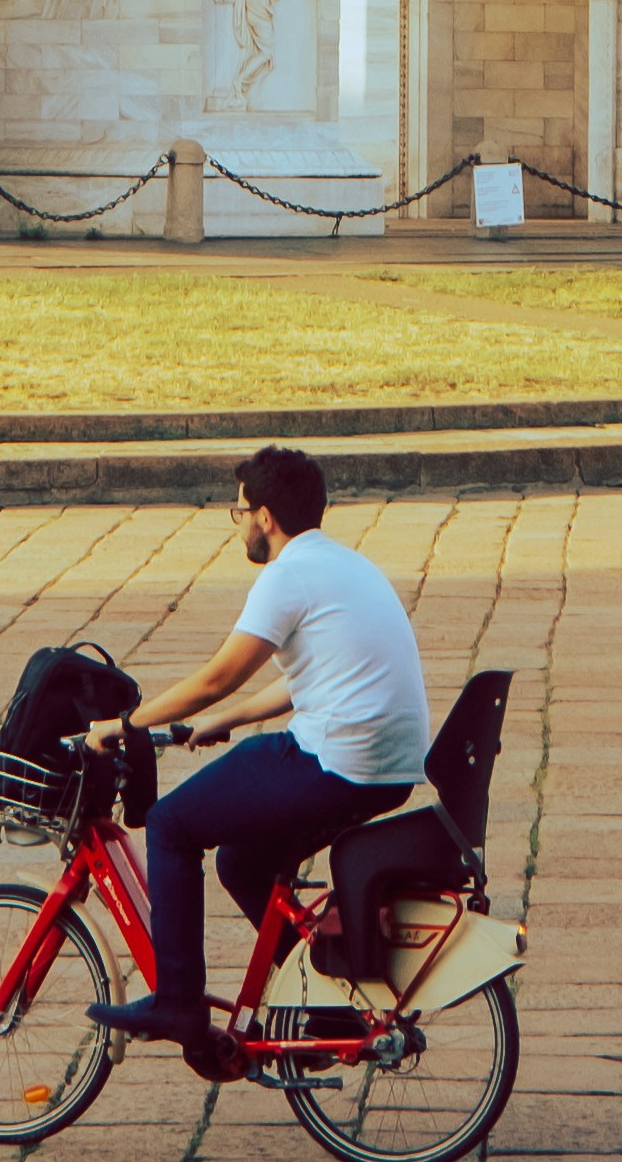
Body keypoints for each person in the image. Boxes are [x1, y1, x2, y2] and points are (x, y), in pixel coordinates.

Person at [91, 446, 431, 1065]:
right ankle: (318, 1010)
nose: (238, 522)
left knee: (170, 825)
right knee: (242, 864)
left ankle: (176, 1001)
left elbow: (217, 675)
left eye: (239, 510)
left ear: (266, 518)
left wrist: (126, 724)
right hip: (386, 767)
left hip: (334, 759)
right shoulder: (345, 566)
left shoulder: (287, 575)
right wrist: (230, 719)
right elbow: (310, 677)